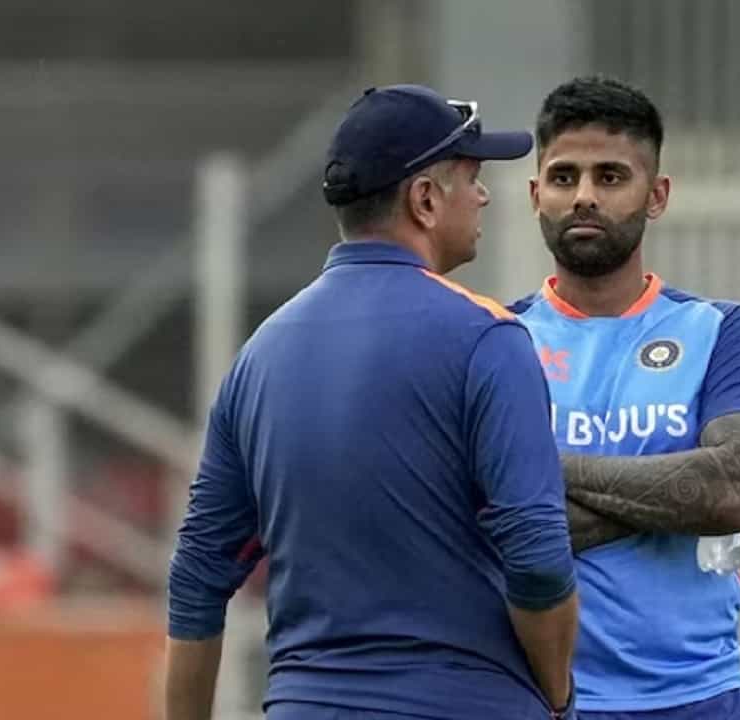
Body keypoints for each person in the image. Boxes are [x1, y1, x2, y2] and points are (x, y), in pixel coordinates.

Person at [164, 84, 579, 720]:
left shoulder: (260, 354)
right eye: (471, 178)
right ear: (425, 199)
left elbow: (198, 574)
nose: (484, 196)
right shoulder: (489, 338)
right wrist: (557, 695)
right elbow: (539, 561)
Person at [509, 75, 740, 719]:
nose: (584, 196)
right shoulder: (495, 340)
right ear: (536, 194)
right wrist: (679, 493)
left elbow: (739, 489)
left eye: (610, 177)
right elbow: (473, 524)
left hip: (702, 697)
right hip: (549, 703)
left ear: (656, 195)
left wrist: (539, 472)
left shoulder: (721, 331)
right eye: (563, 177)